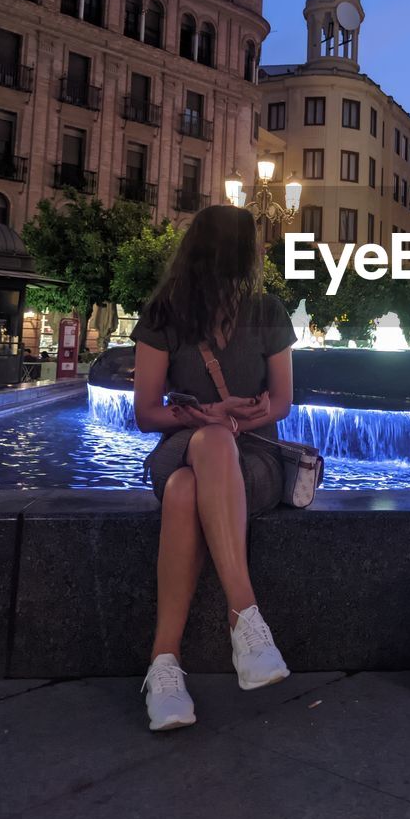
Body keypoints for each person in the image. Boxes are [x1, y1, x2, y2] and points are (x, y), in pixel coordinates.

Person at [131, 204, 297, 732]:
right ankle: (246, 619)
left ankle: (164, 667)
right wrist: (206, 417)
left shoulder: (268, 311)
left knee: (185, 490)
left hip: (253, 460)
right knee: (208, 443)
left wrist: (241, 418)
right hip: (185, 445)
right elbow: (146, 412)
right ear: (243, 253)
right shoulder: (164, 314)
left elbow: (283, 402)